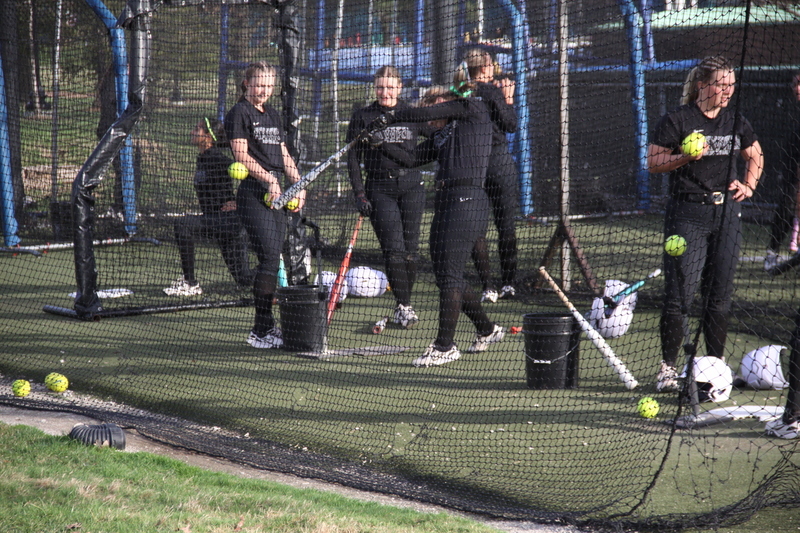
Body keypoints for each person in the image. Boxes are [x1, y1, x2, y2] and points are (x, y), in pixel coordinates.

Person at [647, 56, 764, 392]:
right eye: (720, 84)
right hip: (687, 216)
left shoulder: (734, 121)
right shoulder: (677, 120)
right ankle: (667, 369)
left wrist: (749, 185)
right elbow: (653, 163)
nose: (727, 91)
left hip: (726, 215)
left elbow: (755, 155)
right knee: (679, 296)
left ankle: (715, 368)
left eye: (731, 85)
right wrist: (685, 156)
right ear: (702, 84)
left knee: (719, 298)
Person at [374, 84, 505, 367]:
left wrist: (393, 115)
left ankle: (445, 346)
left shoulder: (472, 109)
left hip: (468, 198)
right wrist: (380, 142)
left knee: (449, 275)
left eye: (434, 108)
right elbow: (411, 159)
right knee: (447, 274)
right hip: (446, 201)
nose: (431, 120)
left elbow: (429, 112)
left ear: (444, 101)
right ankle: (487, 329)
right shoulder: (444, 134)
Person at [225, 61, 305, 349]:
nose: (264, 91)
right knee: (270, 257)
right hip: (253, 192)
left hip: (278, 194)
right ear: (247, 83)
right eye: (260, 84)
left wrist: (298, 184)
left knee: (273, 258)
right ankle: (261, 329)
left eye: (270, 86)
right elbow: (241, 155)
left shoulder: (271, 113)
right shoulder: (239, 112)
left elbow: (282, 153)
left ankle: (266, 327)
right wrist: (269, 181)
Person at [346, 66, 431, 329]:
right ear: (374, 87)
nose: (385, 92)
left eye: (390, 87)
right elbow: (352, 159)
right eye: (380, 87)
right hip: (380, 189)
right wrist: (359, 193)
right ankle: (404, 307)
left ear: (400, 88)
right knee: (394, 251)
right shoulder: (363, 116)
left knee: (411, 252)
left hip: (412, 187)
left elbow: (436, 137)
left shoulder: (411, 113)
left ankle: (404, 303)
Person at [455, 48, 519, 303]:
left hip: (471, 165)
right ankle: (508, 284)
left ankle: (487, 286)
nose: (495, 69)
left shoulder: (461, 91)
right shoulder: (490, 91)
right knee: (506, 225)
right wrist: (509, 99)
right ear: (484, 68)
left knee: (476, 228)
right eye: (492, 65)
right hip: (497, 162)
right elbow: (510, 124)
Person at [163, 118, 254, 296]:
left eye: (197, 129)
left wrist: (240, 202)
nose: (192, 132)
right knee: (244, 280)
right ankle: (276, 267)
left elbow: (252, 175)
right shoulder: (203, 158)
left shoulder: (216, 158)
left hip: (229, 221)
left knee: (183, 225)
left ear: (208, 137)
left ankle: (190, 283)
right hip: (215, 221)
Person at [764, 71, 800, 270]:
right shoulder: (788, 111)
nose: (797, 88)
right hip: (792, 172)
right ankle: (772, 253)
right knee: (786, 208)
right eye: (794, 83)